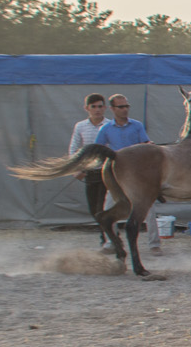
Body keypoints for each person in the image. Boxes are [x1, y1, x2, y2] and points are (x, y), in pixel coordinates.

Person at [94, 94, 159, 253]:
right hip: (118, 174)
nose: (125, 110)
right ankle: (111, 242)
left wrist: (150, 146)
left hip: (138, 175)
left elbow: (145, 144)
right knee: (108, 206)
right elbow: (99, 149)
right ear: (112, 109)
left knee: (149, 209)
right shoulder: (106, 129)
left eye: (126, 106)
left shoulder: (137, 126)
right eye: (121, 107)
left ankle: (154, 244)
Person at [66, 93, 110, 246]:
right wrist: (75, 169)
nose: (97, 110)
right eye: (94, 107)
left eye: (100, 106)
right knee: (93, 209)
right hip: (90, 172)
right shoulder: (81, 126)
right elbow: (74, 149)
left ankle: (106, 238)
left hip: (106, 171)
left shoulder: (110, 125)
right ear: (86, 108)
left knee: (102, 206)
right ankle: (105, 234)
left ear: (105, 108)